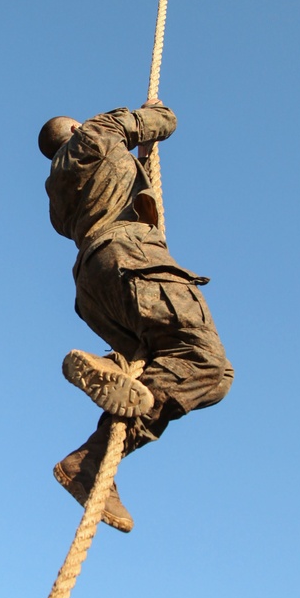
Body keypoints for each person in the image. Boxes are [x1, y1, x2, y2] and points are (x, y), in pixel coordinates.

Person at [39, 102, 233, 532]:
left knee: (190, 369)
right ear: (73, 127)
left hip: (93, 285)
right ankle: (91, 458)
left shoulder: (56, 188)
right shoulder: (95, 133)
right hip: (131, 259)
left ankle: (115, 367)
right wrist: (153, 112)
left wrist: (135, 167)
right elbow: (162, 122)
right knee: (207, 364)